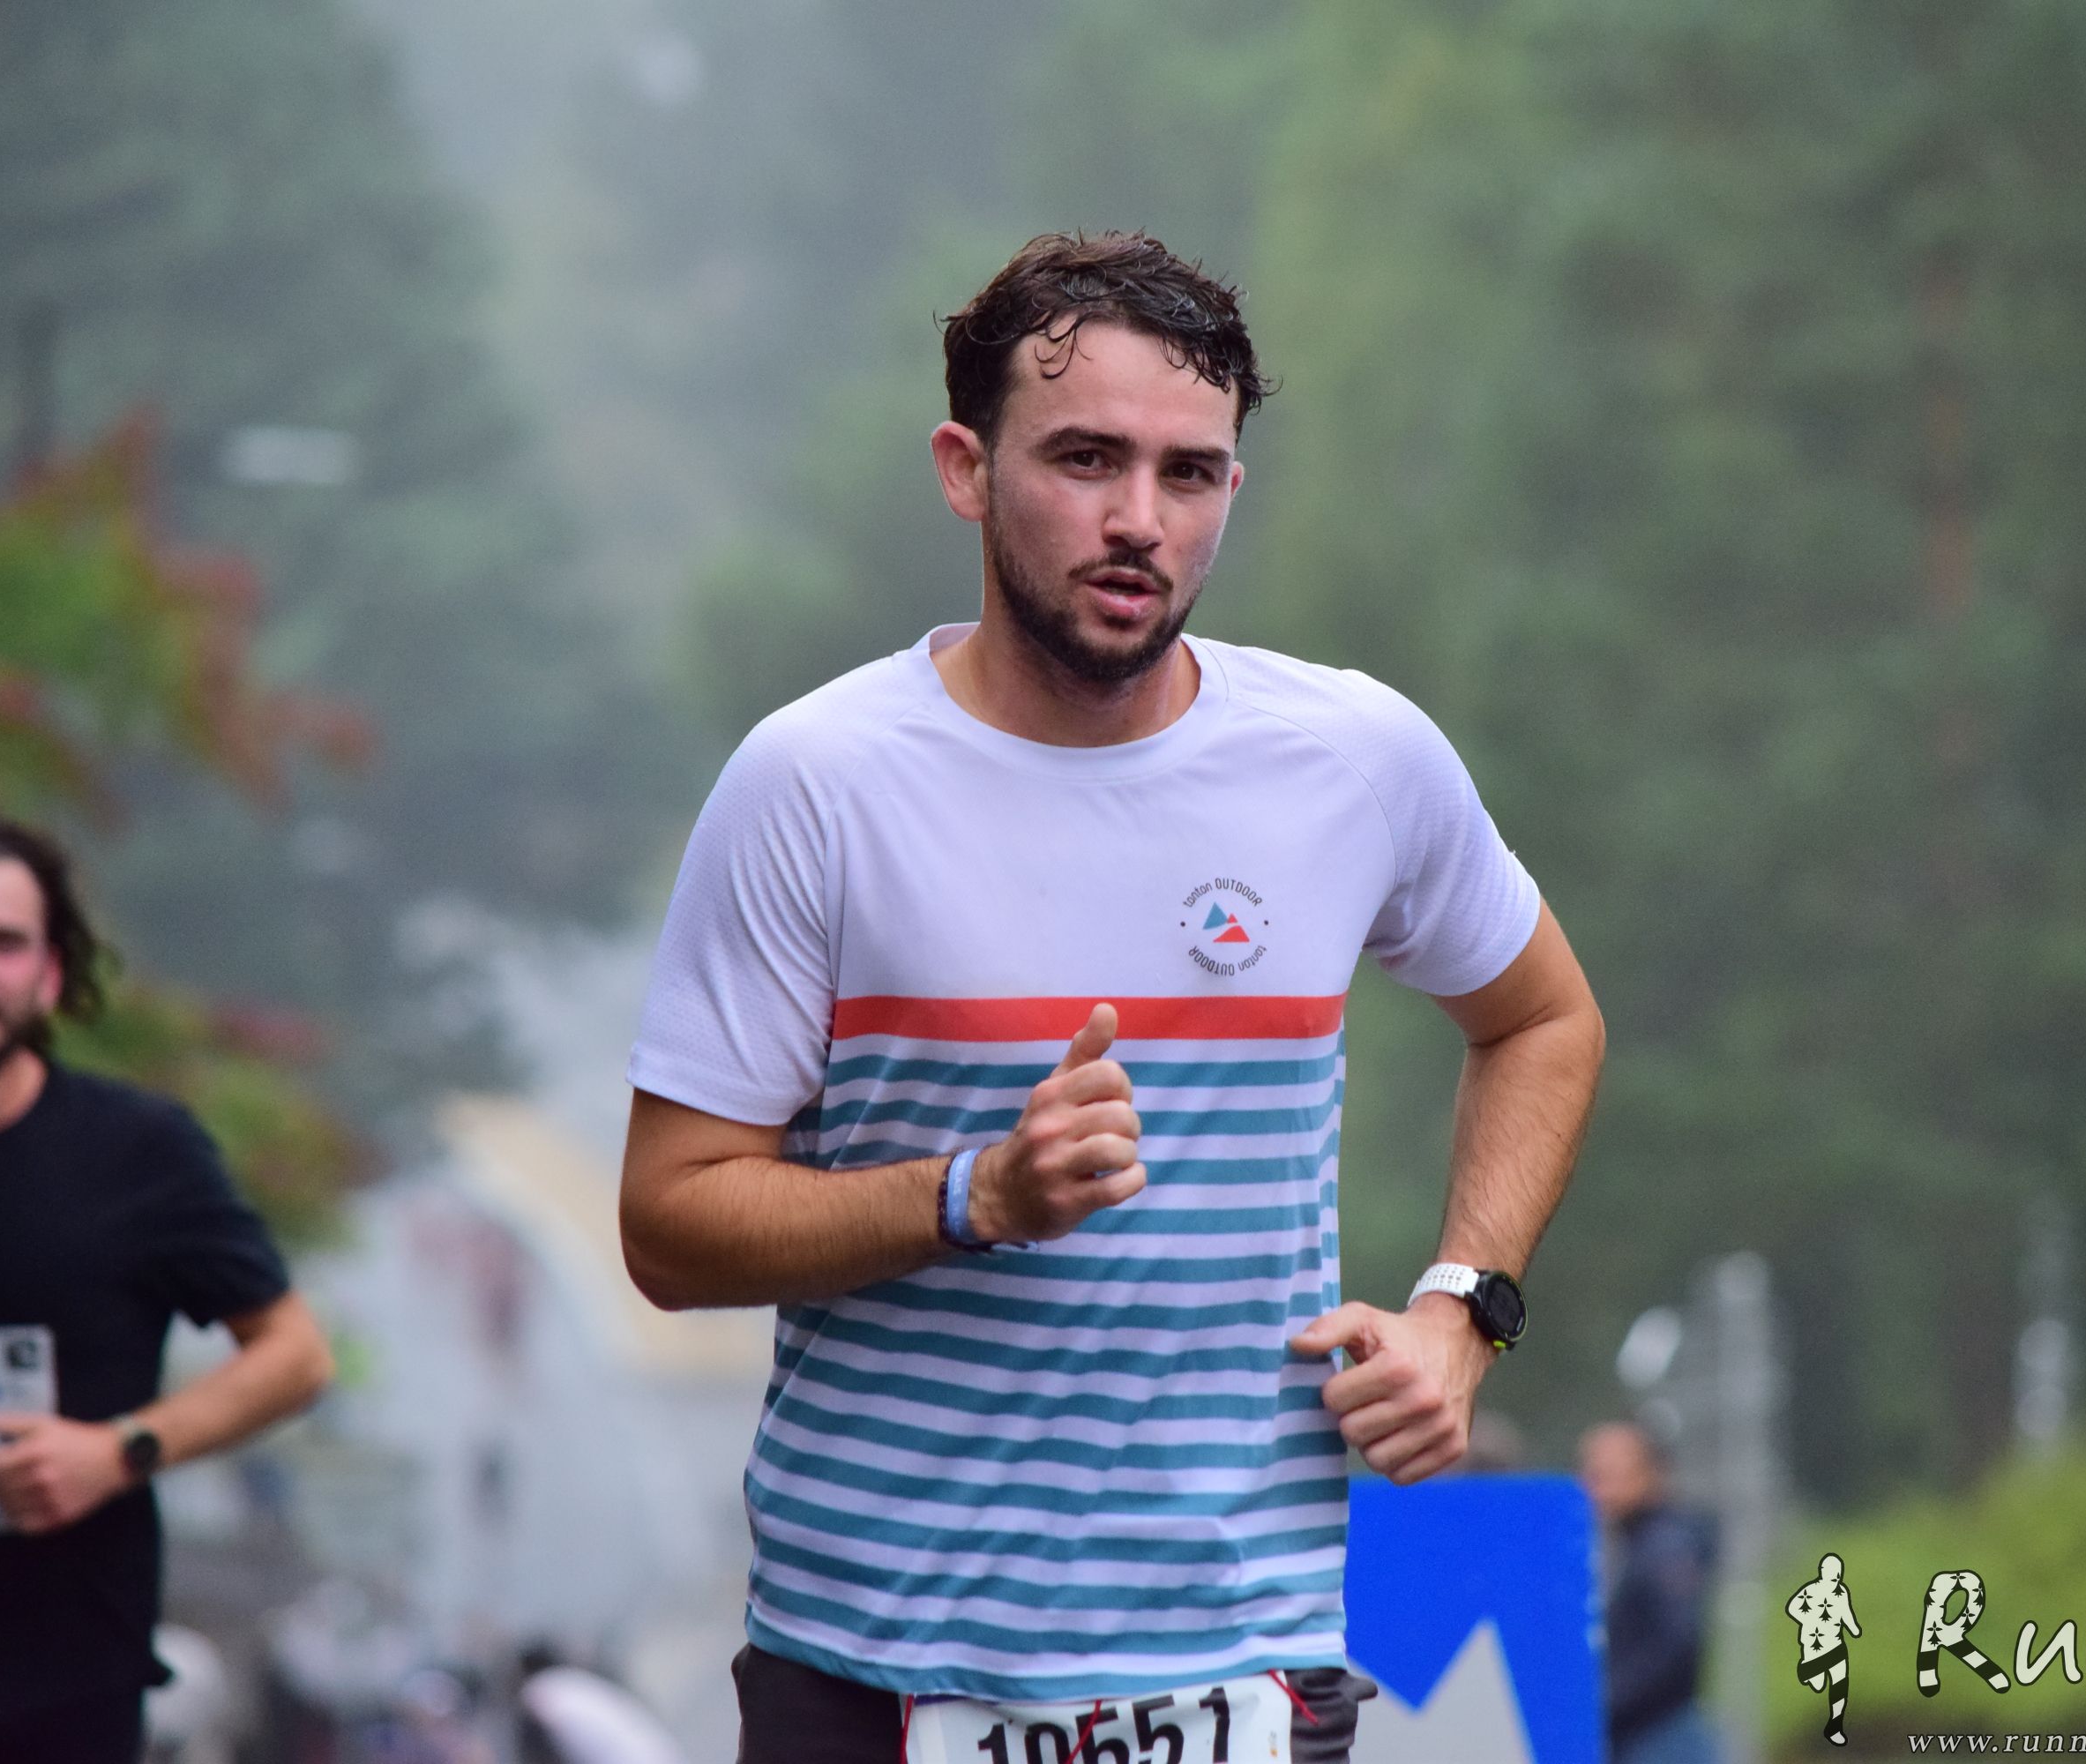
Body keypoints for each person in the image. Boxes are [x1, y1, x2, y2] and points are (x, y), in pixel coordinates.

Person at [619, 229, 1607, 1764]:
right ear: (965, 469)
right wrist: (975, 1196)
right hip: (873, 1675)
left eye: (1188, 473)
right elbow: (668, 1226)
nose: (1139, 519)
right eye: (1085, 459)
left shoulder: (1353, 760)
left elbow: (1543, 1021)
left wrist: (1462, 1310)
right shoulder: (816, 784)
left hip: (1248, 1670)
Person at [0, 802, 336, 1763]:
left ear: (51, 975)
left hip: (67, 1672)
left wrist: (120, 1449)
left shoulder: (140, 1152)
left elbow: (295, 1355)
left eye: (3, 943)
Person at [1581, 1421, 1721, 1764]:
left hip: (1659, 1737)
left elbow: (1675, 1645)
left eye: (1609, 1473)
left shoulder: (1664, 1548)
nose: (1595, 1486)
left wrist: (1602, 1702)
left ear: (1651, 1473)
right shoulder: (1636, 1545)